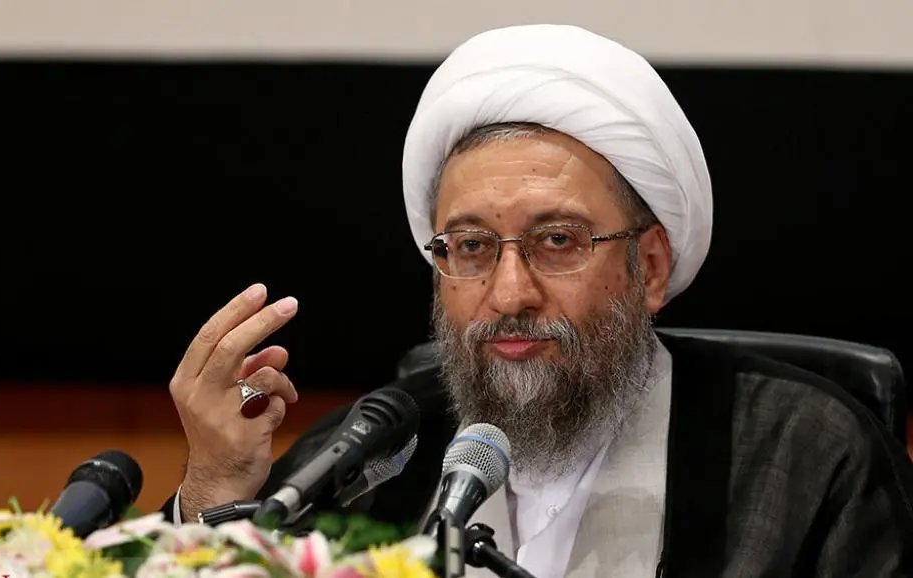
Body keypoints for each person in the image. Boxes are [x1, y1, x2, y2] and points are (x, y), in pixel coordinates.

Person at [161, 24, 913, 577]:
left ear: (650, 266)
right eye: (472, 247)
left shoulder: (805, 452)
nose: (510, 293)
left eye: (557, 240)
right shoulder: (372, 458)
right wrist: (217, 486)